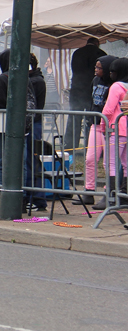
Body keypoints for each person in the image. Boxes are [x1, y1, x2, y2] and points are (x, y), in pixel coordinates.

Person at [0, 48, 43, 215]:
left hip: (5, 127)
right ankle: (21, 198)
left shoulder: (3, 79)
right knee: (20, 163)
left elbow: (1, 105)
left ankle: (0, 199)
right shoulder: (26, 78)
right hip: (23, 127)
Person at [92, 58, 128, 210]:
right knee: (126, 164)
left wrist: (102, 125)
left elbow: (108, 109)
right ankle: (125, 195)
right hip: (126, 129)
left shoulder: (116, 87)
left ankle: (111, 196)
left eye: (112, 71)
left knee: (110, 163)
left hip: (115, 128)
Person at [80, 55, 116, 205]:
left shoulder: (114, 85)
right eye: (95, 67)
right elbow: (91, 98)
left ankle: (108, 192)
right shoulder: (95, 81)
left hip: (108, 126)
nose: (96, 70)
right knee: (90, 158)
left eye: (99, 68)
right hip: (95, 123)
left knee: (108, 162)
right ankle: (88, 191)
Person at [65, 38, 107, 151]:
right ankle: (91, 146)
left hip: (77, 90)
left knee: (74, 119)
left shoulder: (77, 53)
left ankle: (69, 146)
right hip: (91, 91)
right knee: (92, 120)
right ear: (97, 44)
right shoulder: (100, 54)